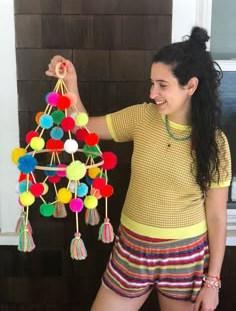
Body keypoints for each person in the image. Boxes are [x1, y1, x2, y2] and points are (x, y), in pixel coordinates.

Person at [46, 26, 231, 311]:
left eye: (162, 85)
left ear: (191, 86)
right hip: (132, 249)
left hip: (185, 258)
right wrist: (71, 83)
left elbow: (217, 217)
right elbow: (83, 127)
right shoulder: (141, 117)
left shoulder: (215, 143)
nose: (152, 92)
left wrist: (212, 282)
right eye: (151, 83)